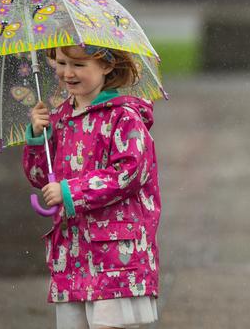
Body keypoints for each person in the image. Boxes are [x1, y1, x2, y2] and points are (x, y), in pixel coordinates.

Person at [23, 44, 161, 329]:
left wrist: (71, 191)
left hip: (115, 258)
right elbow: (40, 176)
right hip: (71, 258)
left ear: (107, 65)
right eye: (61, 63)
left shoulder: (123, 118)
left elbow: (130, 173)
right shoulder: (59, 118)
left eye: (79, 64)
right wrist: (38, 137)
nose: (67, 73)